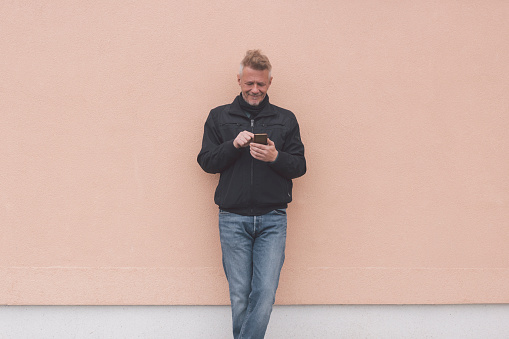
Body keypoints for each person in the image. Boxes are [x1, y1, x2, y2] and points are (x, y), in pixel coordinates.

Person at [197, 49, 306, 339]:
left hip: (273, 219)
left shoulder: (285, 119)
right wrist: (232, 145)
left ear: (269, 83)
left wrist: (275, 157)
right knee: (240, 296)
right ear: (239, 80)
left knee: (265, 293)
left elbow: (299, 166)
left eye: (260, 84)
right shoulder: (219, 117)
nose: (255, 90)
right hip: (233, 219)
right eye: (249, 84)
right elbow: (206, 162)